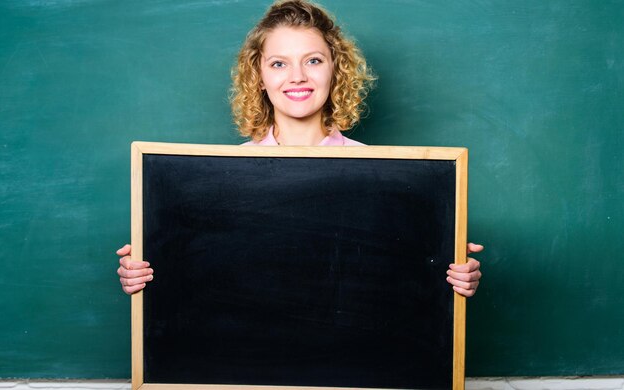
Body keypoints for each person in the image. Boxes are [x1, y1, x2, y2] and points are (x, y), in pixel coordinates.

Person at [117, 0, 482, 297]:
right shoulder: (220, 180)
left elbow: (402, 280)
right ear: (259, 77)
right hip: (247, 363)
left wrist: (448, 274)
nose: (297, 77)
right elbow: (202, 277)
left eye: (313, 60)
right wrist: (150, 269)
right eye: (279, 63)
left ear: (335, 70)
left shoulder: (382, 175)